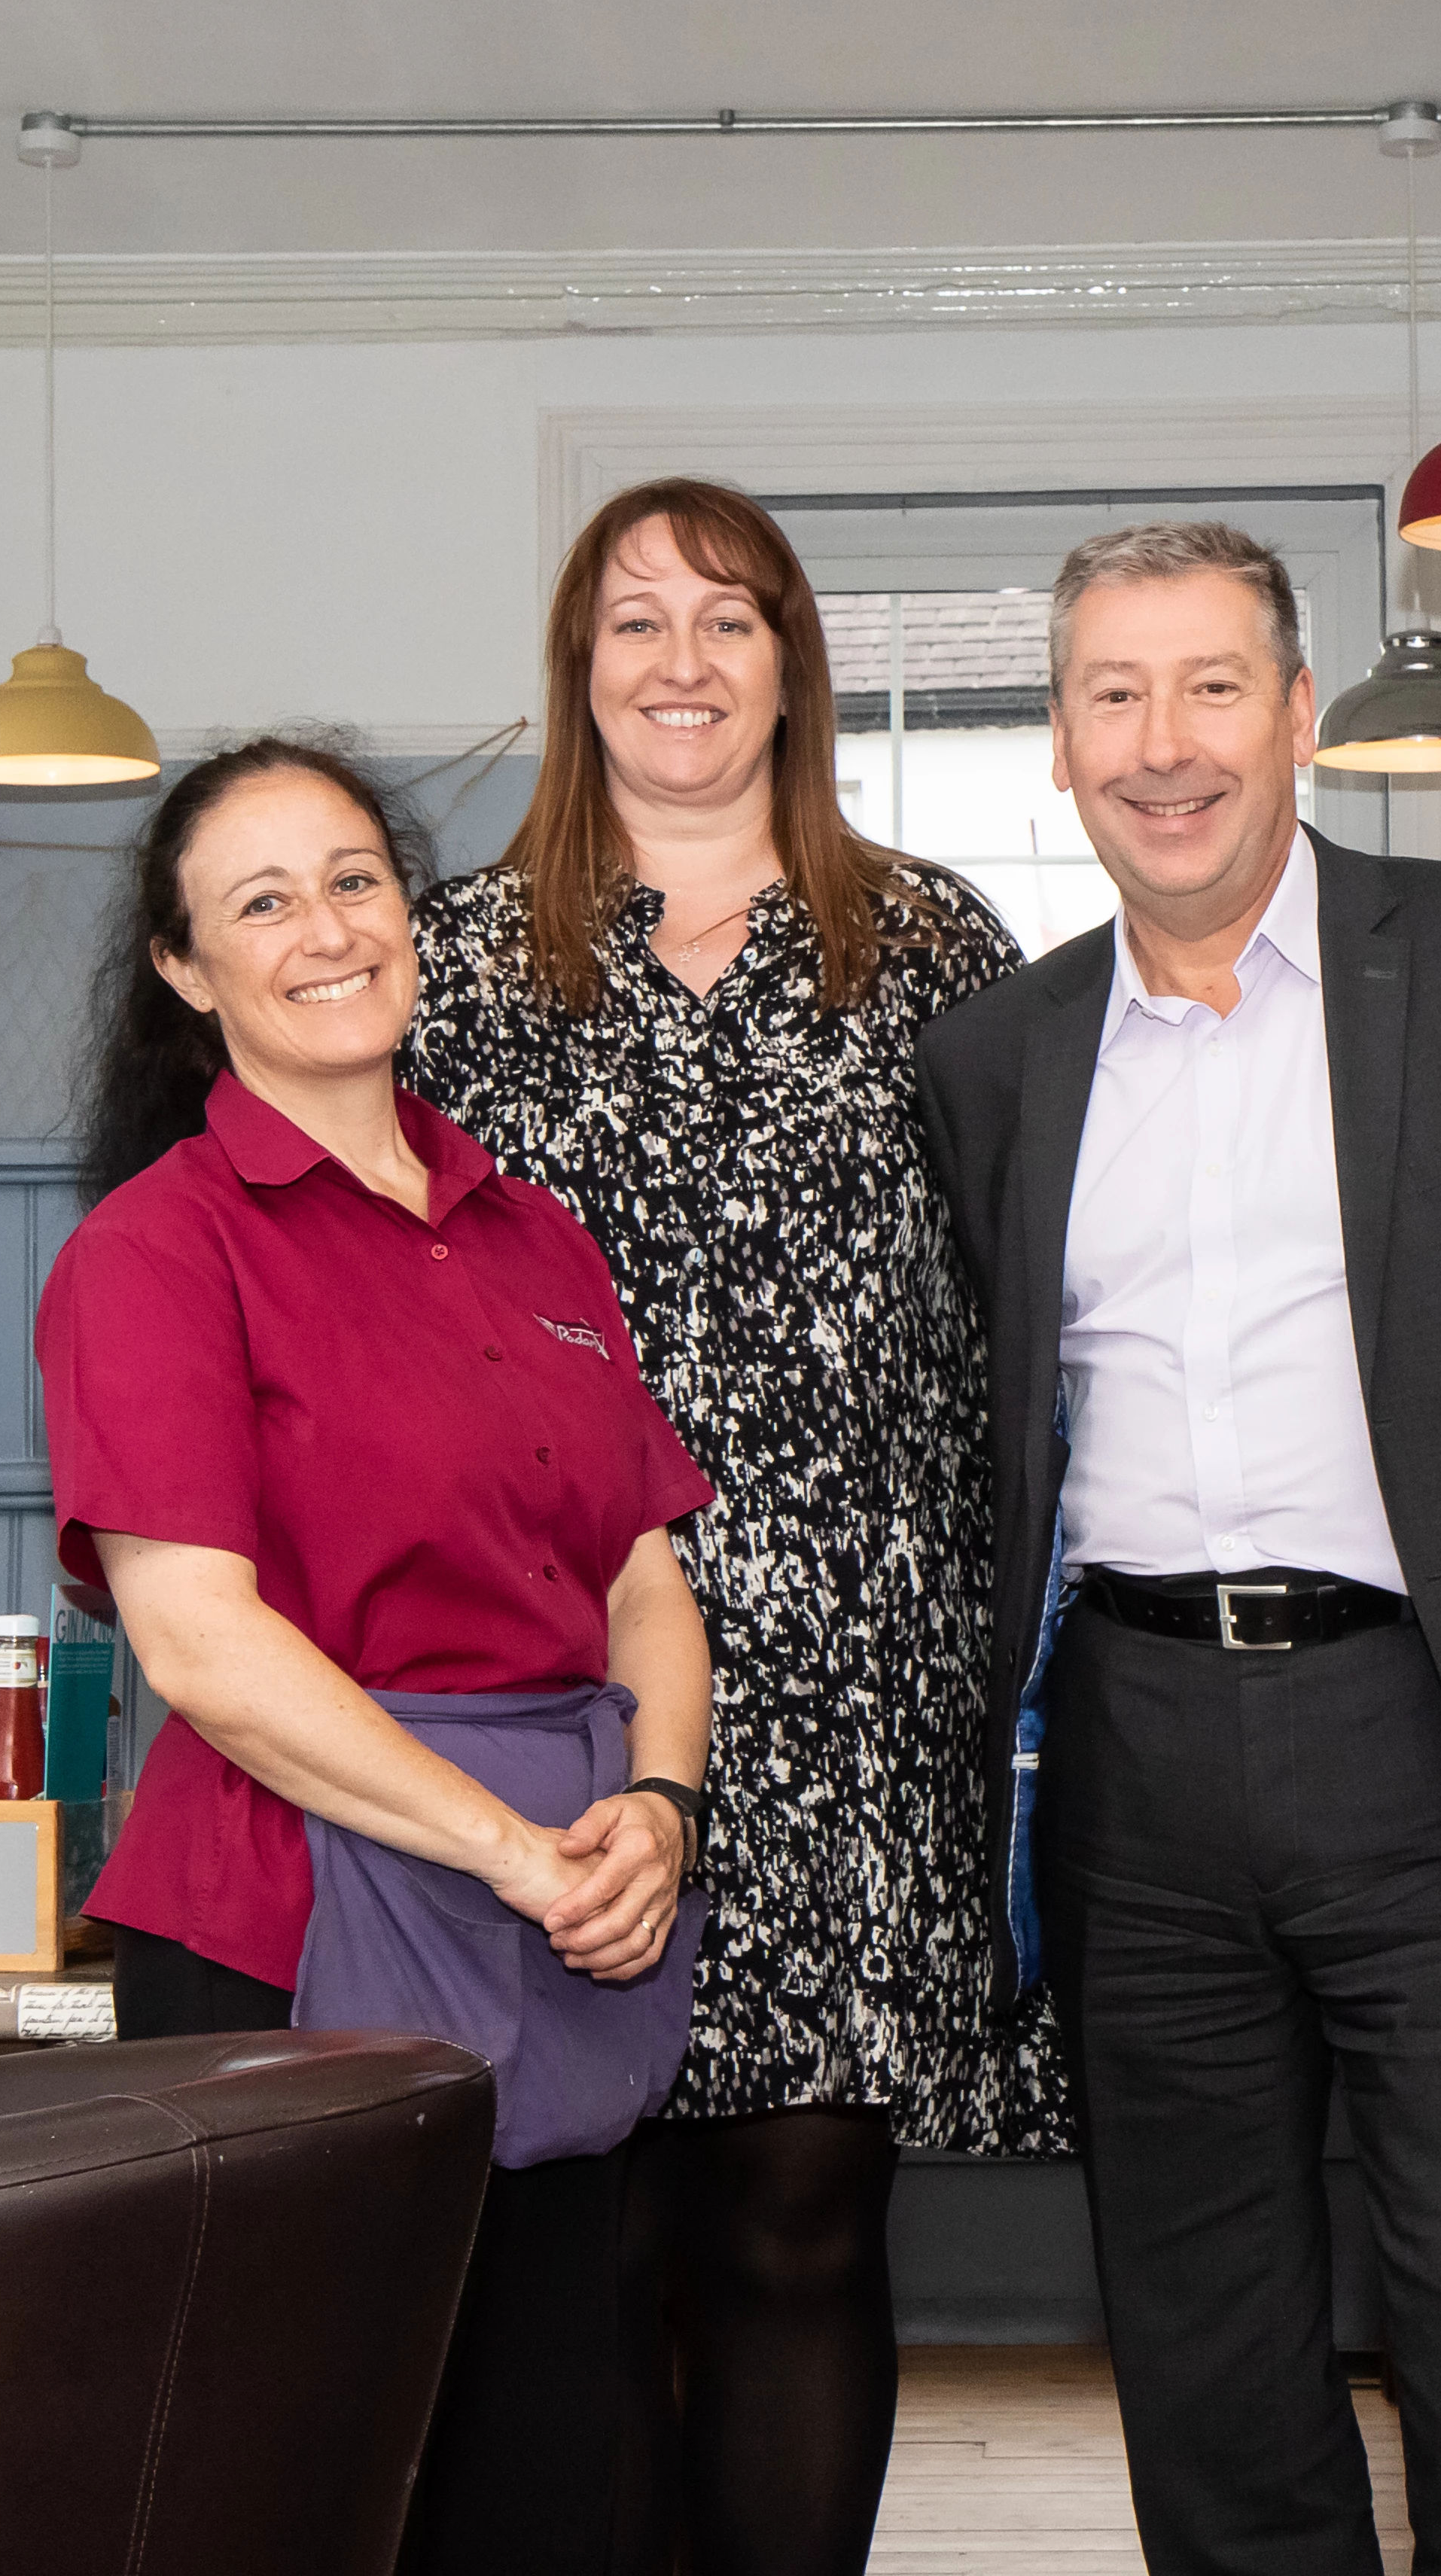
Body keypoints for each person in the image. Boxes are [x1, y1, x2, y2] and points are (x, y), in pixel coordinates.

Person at [913, 522, 1441, 2576]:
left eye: (1210, 687)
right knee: (1205, 2339)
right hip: (1132, 1756)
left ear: (1300, 719)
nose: (1162, 744)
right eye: (1114, 694)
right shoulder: (998, 1055)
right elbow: (993, 1418)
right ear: (1059, 743)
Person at [404, 479, 1067, 2576]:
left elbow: (1044, 1293)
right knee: (581, 2235)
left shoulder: (940, 944)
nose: (680, 663)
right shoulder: (451, 973)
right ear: (575, 672)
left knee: (795, 2219)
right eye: (633, 623)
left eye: (727, 618)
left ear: (794, 660)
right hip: (549, 1680)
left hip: (864, 1679)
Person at [41, 733, 718, 2576]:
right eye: (262, 901)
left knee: (560, 2476)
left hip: (573, 1905)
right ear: (187, 976)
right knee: (317, 2492)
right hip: (291, 1922)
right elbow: (199, 1645)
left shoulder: (529, 1234)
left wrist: (654, 1807)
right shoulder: (155, 1253)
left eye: (355, 878)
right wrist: (516, 1853)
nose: (328, 928)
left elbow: (645, 1580)